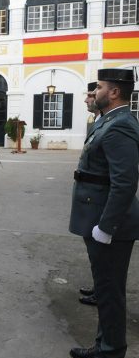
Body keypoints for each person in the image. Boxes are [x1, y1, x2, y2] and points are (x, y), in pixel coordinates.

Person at [69, 68, 139, 358]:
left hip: (109, 223)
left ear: (113, 92)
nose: (93, 92)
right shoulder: (111, 120)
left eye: (97, 87)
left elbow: (124, 182)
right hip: (97, 214)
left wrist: (106, 227)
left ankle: (110, 355)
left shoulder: (120, 124)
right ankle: (103, 346)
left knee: (110, 294)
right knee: (107, 290)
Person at [77, 82, 100, 308]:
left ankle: (103, 292)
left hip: (101, 201)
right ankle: (99, 286)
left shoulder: (116, 125)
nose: (87, 99)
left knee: (105, 255)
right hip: (91, 199)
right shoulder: (95, 120)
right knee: (96, 253)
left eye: (92, 94)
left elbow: (124, 179)